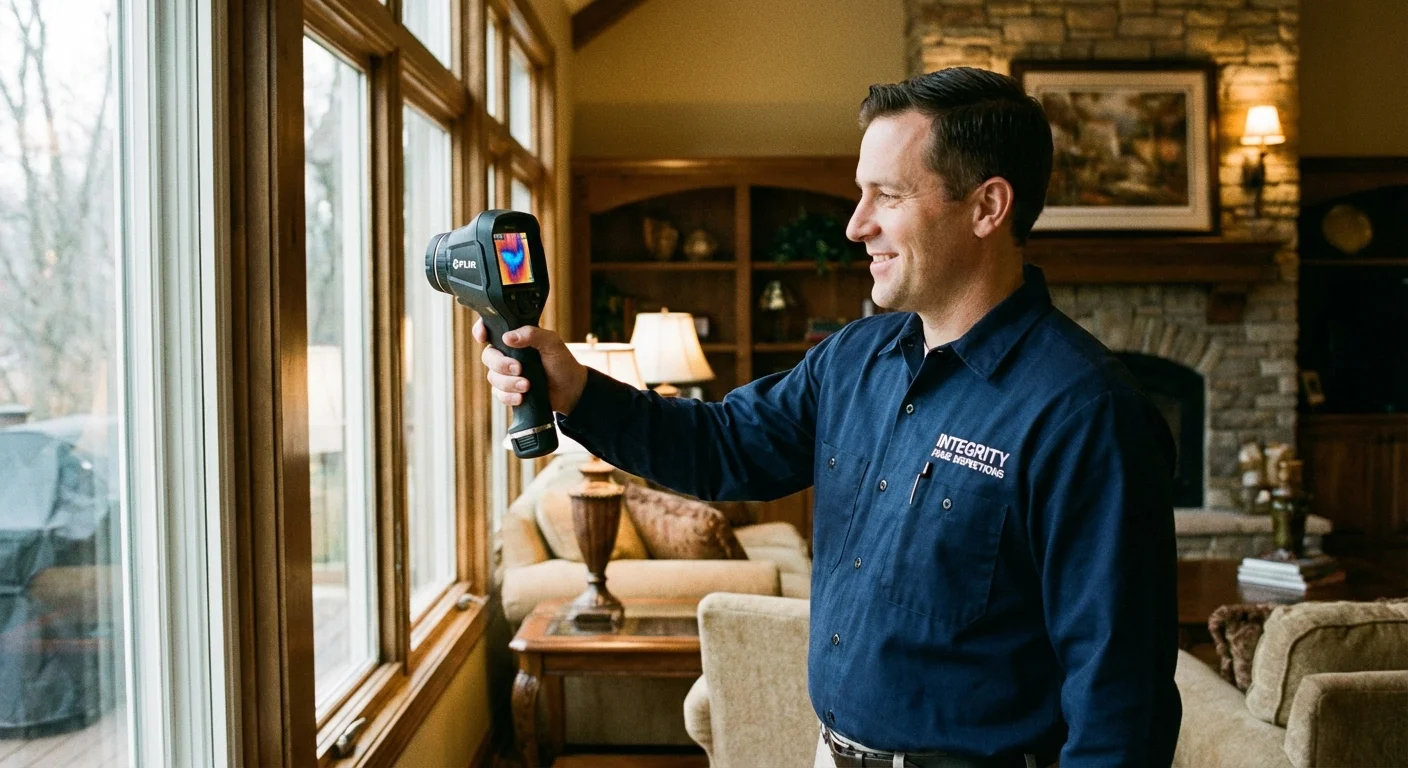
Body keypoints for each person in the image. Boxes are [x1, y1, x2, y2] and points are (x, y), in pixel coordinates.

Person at [476, 67, 1181, 767]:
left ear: (988, 206)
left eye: (889, 196)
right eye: (859, 194)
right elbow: (722, 447)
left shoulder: (1088, 413)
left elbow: (1121, 694)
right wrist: (576, 392)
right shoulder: (856, 357)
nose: (855, 225)